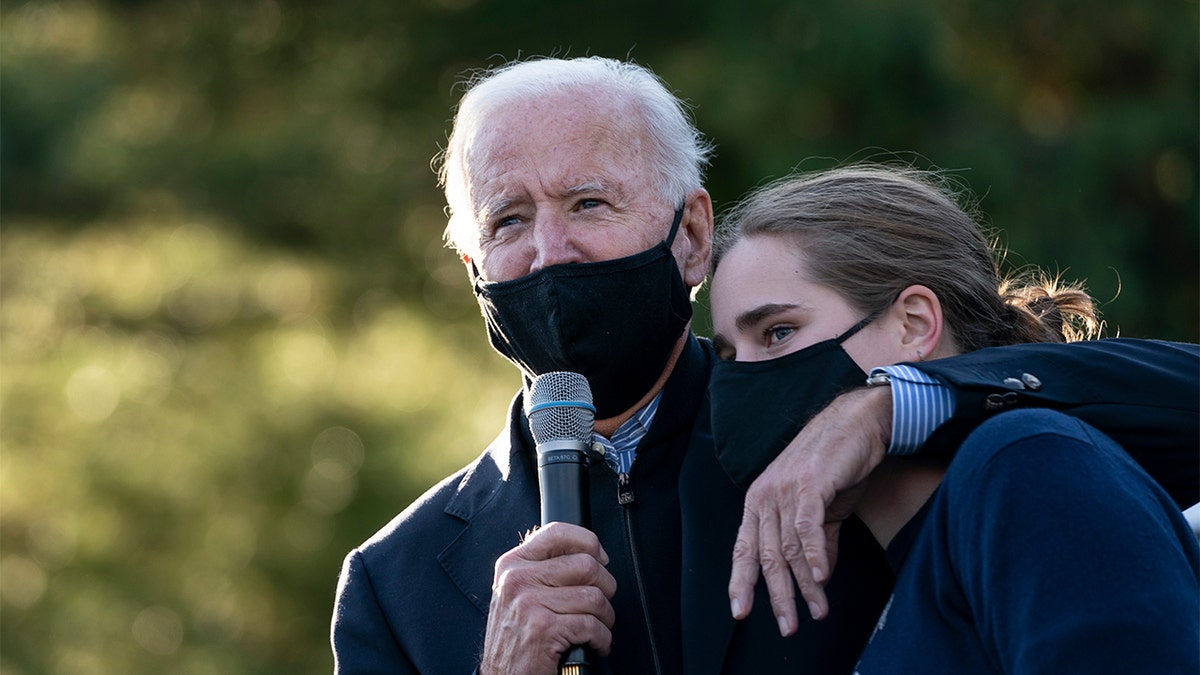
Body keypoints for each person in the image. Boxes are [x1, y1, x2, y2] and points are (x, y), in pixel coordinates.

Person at [329, 56, 1199, 674]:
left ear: (692, 233)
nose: (552, 253)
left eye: (589, 202)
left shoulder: (820, 421)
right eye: (508, 220)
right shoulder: (392, 586)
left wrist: (892, 407)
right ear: (472, 265)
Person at [706, 164, 1199, 672]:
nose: (740, 382)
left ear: (914, 325)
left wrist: (885, 404)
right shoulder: (897, 579)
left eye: (778, 332)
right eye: (725, 357)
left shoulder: (1025, 463)